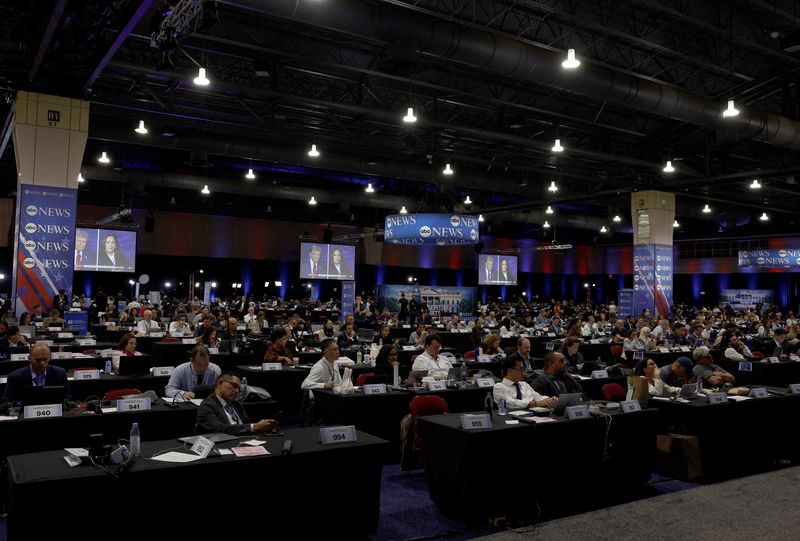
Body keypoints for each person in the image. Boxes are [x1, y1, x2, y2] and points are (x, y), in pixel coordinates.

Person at [196, 373, 278, 434]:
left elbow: (246, 425)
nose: (237, 391)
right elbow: (219, 429)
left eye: (239, 388)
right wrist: (255, 426)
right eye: (234, 386)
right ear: (220, 383)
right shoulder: (207, 406)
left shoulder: (236, 404)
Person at [2, 343, 71, 404]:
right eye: (38, 360)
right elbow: (8, 401)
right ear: (29, 358)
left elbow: (67, 396)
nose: (42, 363)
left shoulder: (60, 373)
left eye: (45, 359)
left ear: (50, 358)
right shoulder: (15, 377)